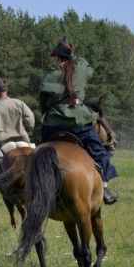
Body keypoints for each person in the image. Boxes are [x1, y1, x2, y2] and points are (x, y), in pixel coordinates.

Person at [38, 38, 119, 204]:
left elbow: (42, 100)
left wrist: (50, 112)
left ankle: (37, 189)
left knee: (40, 158)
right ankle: (104, 189)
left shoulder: (50, 74)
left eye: (54, 56)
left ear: (57, 57)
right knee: (101, 154)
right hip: (79, 122)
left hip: (52, 123)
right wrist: (72, 54)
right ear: (70, 56)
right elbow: (88, 67)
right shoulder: (80, 68)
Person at [0, 78, 35, 201]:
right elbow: (30, 119)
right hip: (23, 142)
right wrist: (26, 131)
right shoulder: (19, 103)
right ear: (7, 90)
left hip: (3, 145)